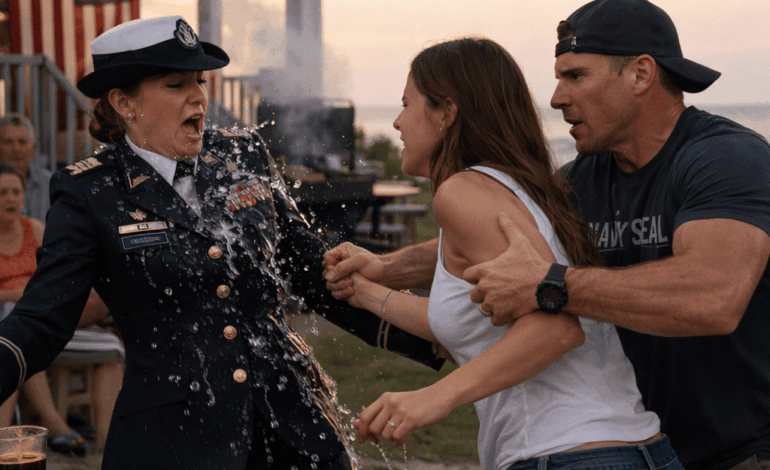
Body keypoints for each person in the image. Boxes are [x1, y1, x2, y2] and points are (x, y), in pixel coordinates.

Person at [325, 2, 770, 470]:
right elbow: (495, 245)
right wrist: (384, 269)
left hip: (739, 454)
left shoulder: (723, 158)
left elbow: (713, 295)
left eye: (575, 76)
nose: (556, 98)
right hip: (645, 444)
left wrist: (550, 284)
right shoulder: (581, 181)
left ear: (640, 74)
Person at [0, 16, 442, 470]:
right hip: (174, 443)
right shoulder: (90, 191)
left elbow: (311, 270)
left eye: (200, 81)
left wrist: (440, 333)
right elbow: (43, 318)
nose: (198, 96)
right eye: (176, 84)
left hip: (293, 429)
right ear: (123, 102)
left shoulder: (242, 153)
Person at [0, 114, 124, 453]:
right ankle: (47, 426)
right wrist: (17, 295)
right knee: (17, 324)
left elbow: (61, 272)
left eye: (15, 193)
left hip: (47, 312)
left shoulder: (37, 226)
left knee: (112, 345)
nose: (10, 198)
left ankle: (109, 445)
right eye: (2, 193)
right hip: (15, 322)